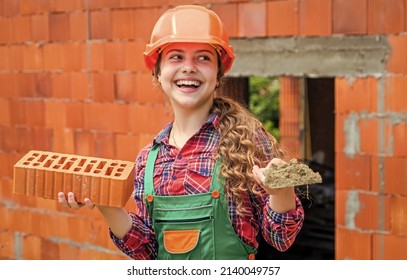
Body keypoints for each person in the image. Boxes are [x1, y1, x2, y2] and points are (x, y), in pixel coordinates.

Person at [58, 4, 304, 260]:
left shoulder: (246, 142)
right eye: (176, 57)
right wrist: (107, 205)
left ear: (218, 73)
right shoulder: (148, 160)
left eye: (203, 57)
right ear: (158, 71)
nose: (189, 67)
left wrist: (282, 192)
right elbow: (149, 253)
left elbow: (280, 239)